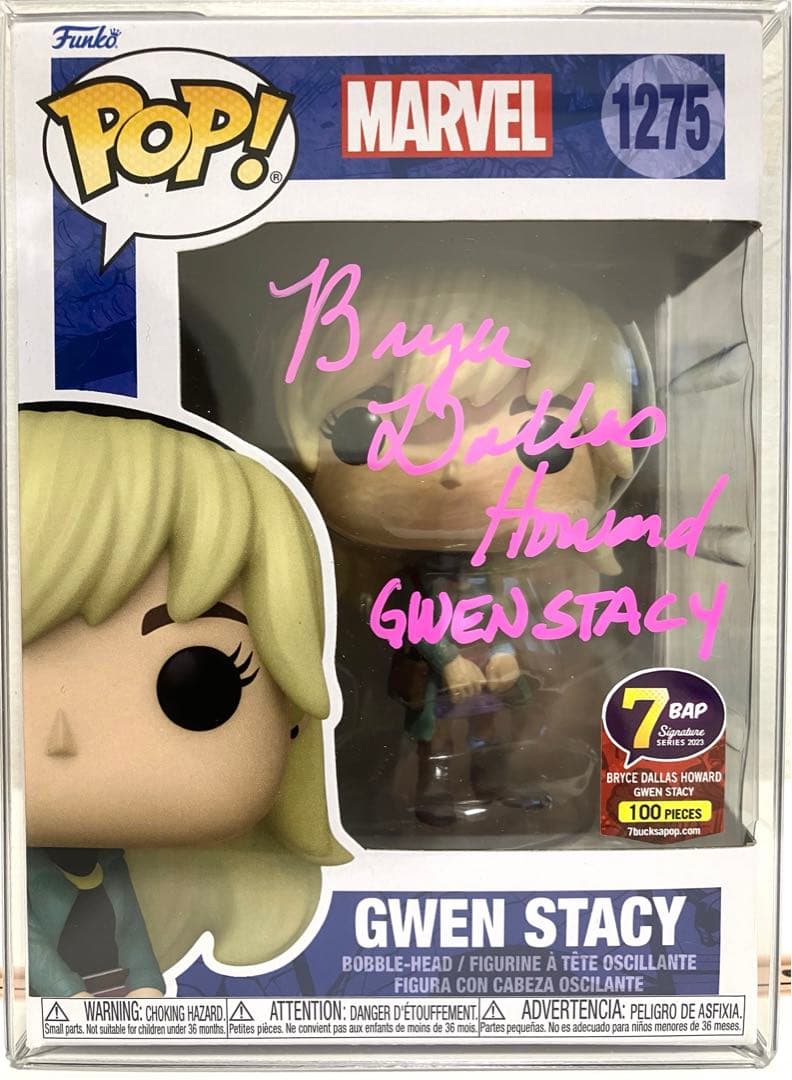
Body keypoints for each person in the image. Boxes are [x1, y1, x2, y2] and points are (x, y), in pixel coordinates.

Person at [272, 265, 652, 826]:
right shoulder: (410, 581)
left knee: (496, 725)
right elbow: (414, 622)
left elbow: (505, 614)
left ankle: (496, 778)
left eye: (544, 436)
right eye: (363, 430)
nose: (454, 468)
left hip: (492, 670)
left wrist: (502, 654)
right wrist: (450, 662)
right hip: (437, 675)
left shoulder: (504, 575)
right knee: (434, 732)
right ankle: (436, 785)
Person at [21, 408, 348, 996]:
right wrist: (71, 1002)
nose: (59, 735)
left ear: (294, 712)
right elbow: (28, 950)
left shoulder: (112, 865)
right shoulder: (26, 877)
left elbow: (130, 936)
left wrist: (146, 990)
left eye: (198, 685)